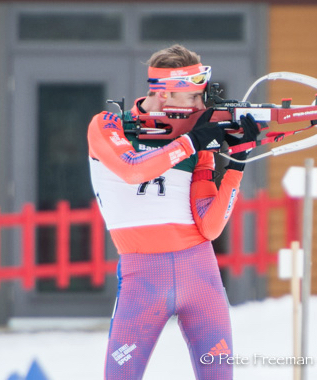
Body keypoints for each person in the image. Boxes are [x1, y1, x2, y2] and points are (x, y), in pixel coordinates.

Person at [87, 44, 259, 380]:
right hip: (143, 277)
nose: (200, 106)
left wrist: (237, 163)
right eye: (194, 97)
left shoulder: (196, 140)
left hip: (201, 272)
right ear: (165, 94)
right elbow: (132, 169)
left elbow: (210, 226)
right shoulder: (109, 124)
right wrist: (191, 143)